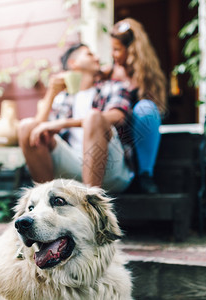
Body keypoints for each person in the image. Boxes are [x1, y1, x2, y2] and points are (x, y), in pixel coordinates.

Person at [17, 43, 134, 193]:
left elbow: (118, 116)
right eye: (89, 54)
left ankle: (91, 204)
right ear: (73, 63)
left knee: (94, 117)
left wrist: (64, 123)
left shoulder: (111, 87)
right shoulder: (62, 98)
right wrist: (51, 94)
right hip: (73, 165)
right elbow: (35, 134)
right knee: (26, 127)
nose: (97, 57)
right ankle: (46, 201)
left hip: (111, 169)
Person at [105, 17, 167, 194]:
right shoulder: (109, 72)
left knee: (146, 108)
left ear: (131, 49)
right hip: (116, 132)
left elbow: (156, 110)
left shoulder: (147, 75)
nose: (113, 54)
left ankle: (145, 174)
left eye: (117, 49)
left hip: (138, 131)